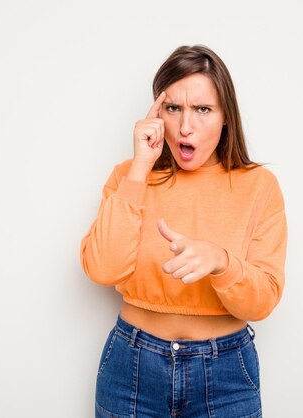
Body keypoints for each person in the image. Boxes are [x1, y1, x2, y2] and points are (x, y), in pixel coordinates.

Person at [80, 44, 288, 418]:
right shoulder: (129, 176)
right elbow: (102, 269)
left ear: (227, 116)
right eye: (173, 108)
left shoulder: (259, 186)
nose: (185, 126)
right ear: (157, 113)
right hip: (132, 366)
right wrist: (141, 167)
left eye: (203, 109)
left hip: (225, 373)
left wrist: (222, 262)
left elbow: (263, 302)